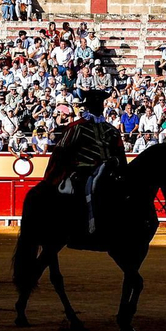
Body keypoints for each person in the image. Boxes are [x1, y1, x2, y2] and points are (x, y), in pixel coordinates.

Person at [43, 89, 126, 237]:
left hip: (108, 171)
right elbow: (61, 152)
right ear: (89, 106)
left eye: (100, 103)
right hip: (82, 170)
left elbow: (121, 155)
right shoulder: (77, 128)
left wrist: (116, 162)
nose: (99, 106)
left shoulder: (110, 130)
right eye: (95, 104)